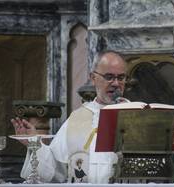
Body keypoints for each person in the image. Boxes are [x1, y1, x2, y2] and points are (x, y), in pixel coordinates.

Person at [11, 51, 129, 183]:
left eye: (121, 77)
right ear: (93, 78)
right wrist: (33, 143)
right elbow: (56, 168)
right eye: (109, 77)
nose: (116, 83)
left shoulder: (136, 115)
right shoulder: (78, 118)